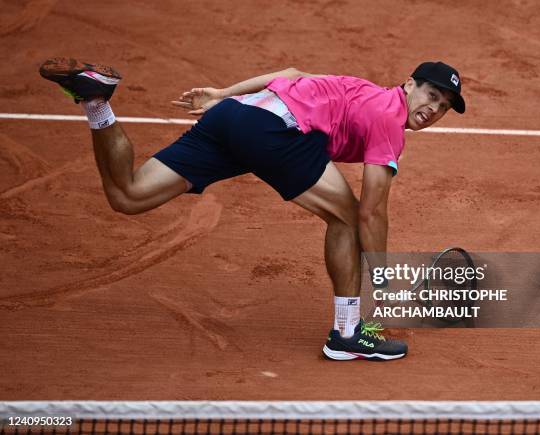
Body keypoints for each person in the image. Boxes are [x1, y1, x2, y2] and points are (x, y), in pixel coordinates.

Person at [39, 57, 465, 361]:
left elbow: (291, 73)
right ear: (409, 84)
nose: (433, 110)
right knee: (349, 218)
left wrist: (221, 94)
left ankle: (96, 103)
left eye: (443, 107)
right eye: (431, 95)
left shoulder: (361, 89)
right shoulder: (388, 120)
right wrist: (386, 279)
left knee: (128, 196)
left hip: (234, 115)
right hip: (273, 130)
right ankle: (347, 333)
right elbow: (372, 213)